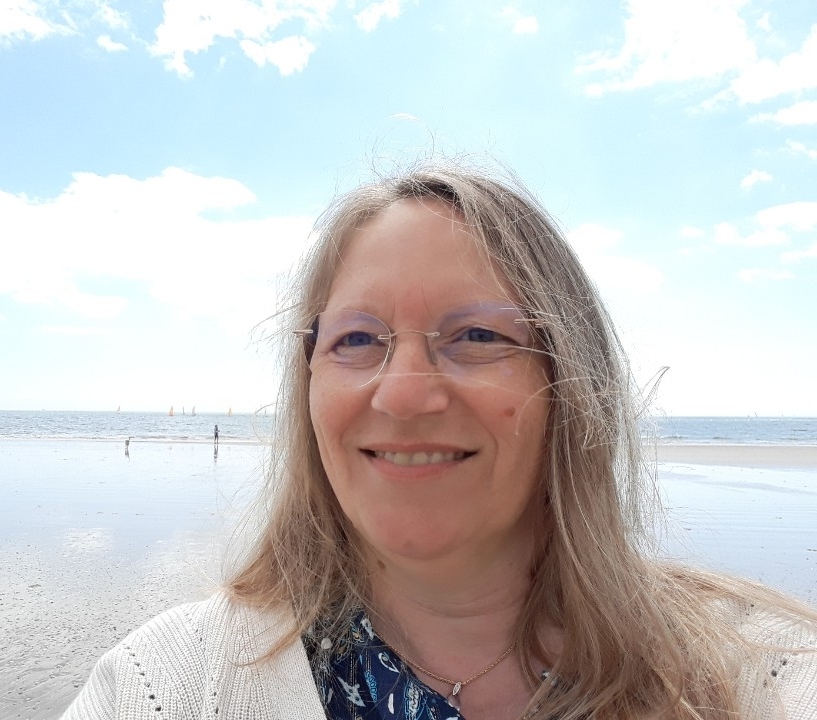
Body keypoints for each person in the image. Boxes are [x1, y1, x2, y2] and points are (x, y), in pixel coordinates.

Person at [61, 161, 817, 720]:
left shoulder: (760, 675)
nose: (403, 394)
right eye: (358, 339)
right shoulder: (167, 686)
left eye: (478, 335)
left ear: (570, 386)